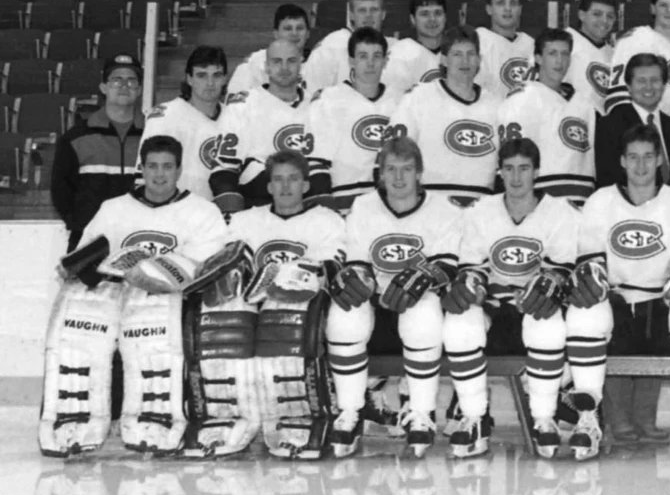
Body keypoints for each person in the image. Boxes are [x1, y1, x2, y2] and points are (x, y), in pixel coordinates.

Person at [40, 135, 229, 456]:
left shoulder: (203, 211)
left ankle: (163, 414)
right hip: (116, 301)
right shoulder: (114, 209)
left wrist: (159, 275)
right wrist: (77, 269)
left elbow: (204, 269)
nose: (159, 175)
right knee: (77, 324)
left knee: (154, 317)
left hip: (173, 305)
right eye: (152, 166)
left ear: (179, 169)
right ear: (141, 167)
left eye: (167, 167)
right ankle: (77, 414)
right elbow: (89, 257)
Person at [457, 138, 607, 460]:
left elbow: (560, 272)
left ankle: (544, 419)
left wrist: (544, 286)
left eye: (524, 168)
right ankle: (473, 418)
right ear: (499, 171)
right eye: (508, 169)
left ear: (536, 171)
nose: (516, 177)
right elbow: (473, 269)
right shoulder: (480, 212)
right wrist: (475, 288)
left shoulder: (560, 212)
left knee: (546, 319)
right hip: (497, 313)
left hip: (539, 313)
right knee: (459, 323)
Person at [193, 150, 345, 459]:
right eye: (278, 180)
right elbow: (231, 262)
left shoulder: (326, 220)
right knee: (224, 316)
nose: (285, 187)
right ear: (268, 186)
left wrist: (294, 278)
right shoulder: (246, 220)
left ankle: (294, 418)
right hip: (253, 301)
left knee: (282, 318)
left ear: (306, 185)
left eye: (293, 179)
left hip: (300, 305)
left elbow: (332, 266)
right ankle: (232, 416)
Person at [578, 125, 670, 460]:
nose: (641, 166)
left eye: (648, 157)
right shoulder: (600, 201)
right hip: (617, 299)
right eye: (634, 158)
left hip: (662, 302)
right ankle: (603, 418)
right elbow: (590, 259)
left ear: (659, 160)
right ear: (622, 162)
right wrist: (596, 281)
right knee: (590, 312)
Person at [325, 136, 466, 459]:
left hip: (421, 300)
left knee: (424, 308)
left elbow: (448, 265)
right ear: (380, 173)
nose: (399, 178)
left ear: (420, 173)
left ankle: (422, 413)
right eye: (391, 170)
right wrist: (358, 279)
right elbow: (358, 262)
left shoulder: (443, 209)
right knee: (344, 313)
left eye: (407, 169)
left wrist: (424, 278)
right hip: (377, 296)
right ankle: (350, 412)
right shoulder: (363, 206)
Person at [387, 27, 500, 207]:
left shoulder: (496, 106)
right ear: (444, 60)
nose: (465, 61)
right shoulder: (418, 98)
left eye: (471, 54)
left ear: (479, 60)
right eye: (457, 54)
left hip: (482, 209)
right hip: (431, 207)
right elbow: (397, 154)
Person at [52, 53, 146, 250]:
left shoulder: (153, 134)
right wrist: (80, 224)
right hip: (88, 241)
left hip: (141, 239)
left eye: (131, 80)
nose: (124, 86)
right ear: (103, 87)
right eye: (116, 80)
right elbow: (60, 191)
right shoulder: (75, 138)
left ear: (139, 89)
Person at [306, 28, 403, 213]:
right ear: (351, 61)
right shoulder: (328, 100)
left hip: (391, 204)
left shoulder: (401, 101)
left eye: (376, 56)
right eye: (363, 56)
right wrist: (325, 210)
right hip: (344, 203)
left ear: (385, 61)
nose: (370, 63)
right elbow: (316, 162)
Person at [210, 38, 311, 214]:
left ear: (301, 64)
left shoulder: (318, 105)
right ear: (266, 66)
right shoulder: (242, 106)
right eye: (277, 61)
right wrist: (232, 216)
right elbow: (224, 172)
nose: (285, 68)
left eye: (291, 61)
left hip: (307, 207)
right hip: (256, 207)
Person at [495, 28, 597, 203]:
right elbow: (511, 158)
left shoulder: (583, 103)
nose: (559, 61)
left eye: (565, 54)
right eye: (552, 53)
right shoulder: (522, 99)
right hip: (542, 200)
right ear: (538, 58)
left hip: (582, 199)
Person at [142, 46, 228, 202]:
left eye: (216, 75)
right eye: (201, 75)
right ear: (189, 78)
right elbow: (147, 176)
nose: (210, 83)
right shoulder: (165, 116)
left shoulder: (236, 117)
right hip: (177, 214)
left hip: (223, 214)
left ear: (224, 79)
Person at [594, 53, 670, 190]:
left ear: (663, 85)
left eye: (655, 80)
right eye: (641, 81)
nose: (649, 87)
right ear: (628, 86)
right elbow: (608, 181)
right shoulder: (610, 126)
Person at [304, 0, 386, 90]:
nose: (368, 15)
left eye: (374, 10)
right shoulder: (331, 47)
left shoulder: (395, 48)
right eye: (362, 10)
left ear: (383, 14)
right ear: (351, 14)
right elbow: (311, 92)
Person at [227, 4, 311, 95]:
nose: (294, 33)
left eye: (300, 28)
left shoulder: (318, 62)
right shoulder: (255, 62)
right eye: (288, 28)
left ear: (308, 34)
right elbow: (235, 101)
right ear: (275, 34)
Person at [475, 0, 537, 98]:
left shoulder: (531, 44)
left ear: (520, 9)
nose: (508, 8)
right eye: (501, 3)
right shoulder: (479, 41)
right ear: (489, 9)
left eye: (513, 3)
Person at [381, 0, 452, 92]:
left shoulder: (458, 53)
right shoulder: (401, 53)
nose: (432, 19)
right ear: (413, 19)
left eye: (438, 13)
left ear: (445, 17)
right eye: (424, 14)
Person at [565, 0, 619, 114]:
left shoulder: (613, 54)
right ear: (582, 15)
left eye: (610, 16)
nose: (604, 21)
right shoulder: (563, 41)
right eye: (597, 14)